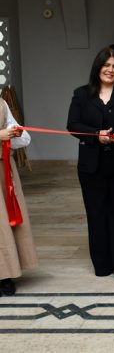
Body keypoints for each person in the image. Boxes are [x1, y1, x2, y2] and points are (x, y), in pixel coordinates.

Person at [67, 47, 114, 282]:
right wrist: (95, 134)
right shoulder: (81, 94)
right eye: (106, 65)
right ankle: (102, 263)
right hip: (91, 165)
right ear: (98, 67)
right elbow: (73, 125)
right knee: (97, 214)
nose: (110, 70)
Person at [0, 99, 36, 296]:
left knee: (4, 225)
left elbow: (25, 139)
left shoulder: (2, 104)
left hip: (3, 168)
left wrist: (14, 133)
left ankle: (6, 274)